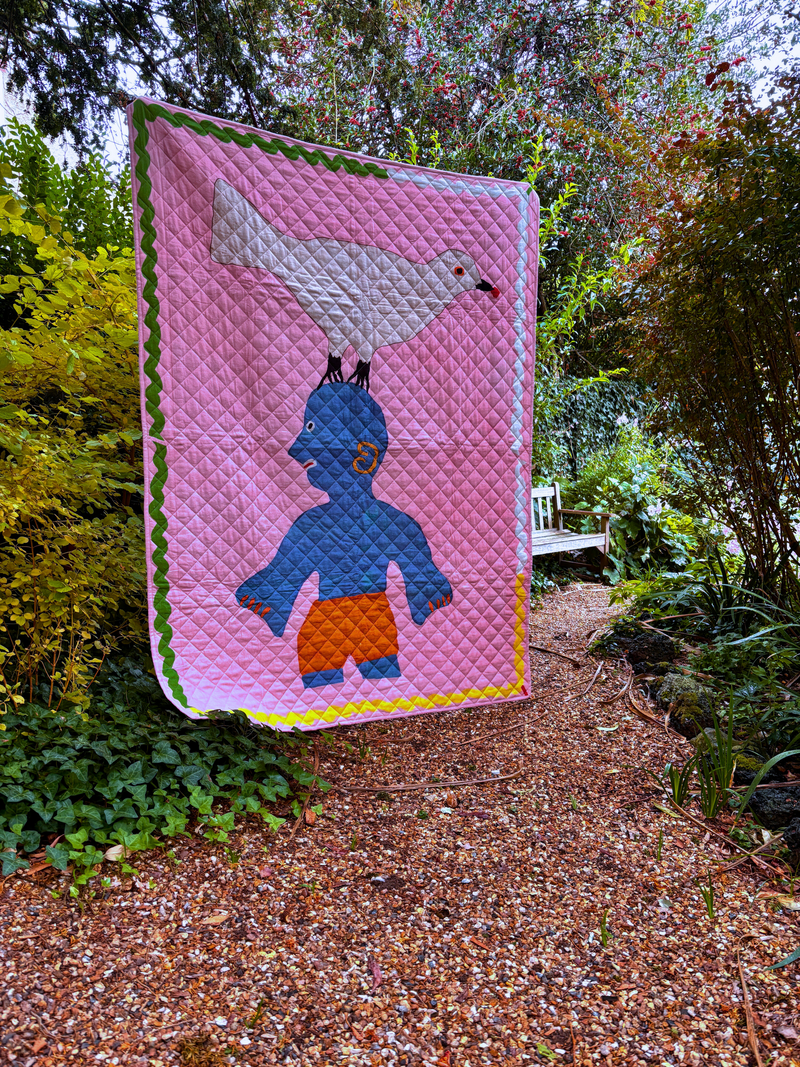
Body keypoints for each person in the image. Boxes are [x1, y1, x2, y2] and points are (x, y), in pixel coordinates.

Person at [235, 383, 453, 689]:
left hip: (348, 624)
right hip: (354, 623)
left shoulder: (315, 525)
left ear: (363, 457)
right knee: (351, 687)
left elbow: (282, 577)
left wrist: (266, 594)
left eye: (312, 430)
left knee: (373, 685)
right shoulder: (318, 525)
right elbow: (284, 574)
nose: (295, 449)